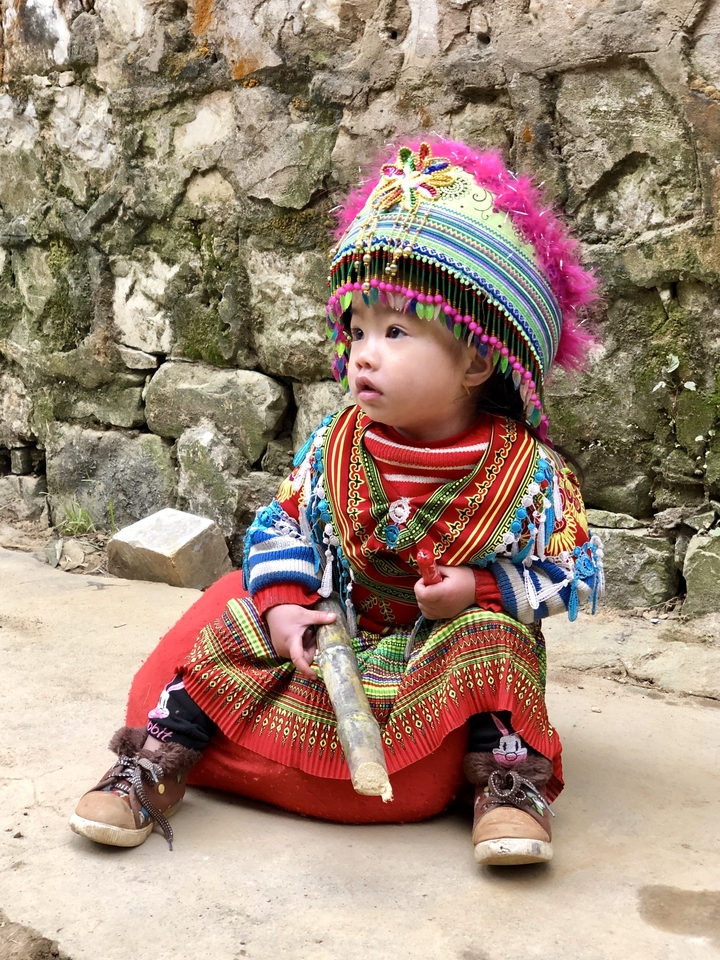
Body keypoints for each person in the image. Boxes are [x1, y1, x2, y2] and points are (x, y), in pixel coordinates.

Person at [70, 138, 603, 866]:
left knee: (500, 646)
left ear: (477, 359)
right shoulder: (337, 444)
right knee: (236, 610)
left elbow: (570, 572)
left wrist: (479, 588)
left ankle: (507, 787)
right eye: (356, 330)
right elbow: (285, 520)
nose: (363, 352)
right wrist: (289, 605)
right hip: (339, 629)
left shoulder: (526, 475)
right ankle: (158, 760)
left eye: (395, 331)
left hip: (437, 653)